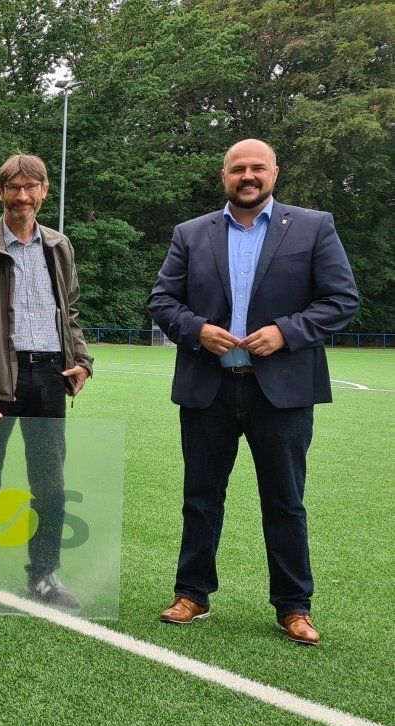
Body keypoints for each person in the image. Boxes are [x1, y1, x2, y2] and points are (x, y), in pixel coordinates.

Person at [147, 139, 358, 645]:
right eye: (238, 168)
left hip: (281, 392)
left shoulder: (313, 226)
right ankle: (192, 594)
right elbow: (162, 300)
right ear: (224, 176)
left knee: (285, 501)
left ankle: (293, 605)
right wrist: (197, 330)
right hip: (209, 388)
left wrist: (286, 331)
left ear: (274, 174)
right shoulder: (191, 233)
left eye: (257, 168)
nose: (248, 175)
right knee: (201, 498)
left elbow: (341, 299)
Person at [0, 154, 95, 611]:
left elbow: (69, 312)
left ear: (44, 191)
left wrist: (81, 360)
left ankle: (43, 575)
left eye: (31, 188)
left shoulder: (59, 246)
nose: (23, 196)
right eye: (14, 188)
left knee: (50, 483)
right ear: (0, 193)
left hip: (49, 378)